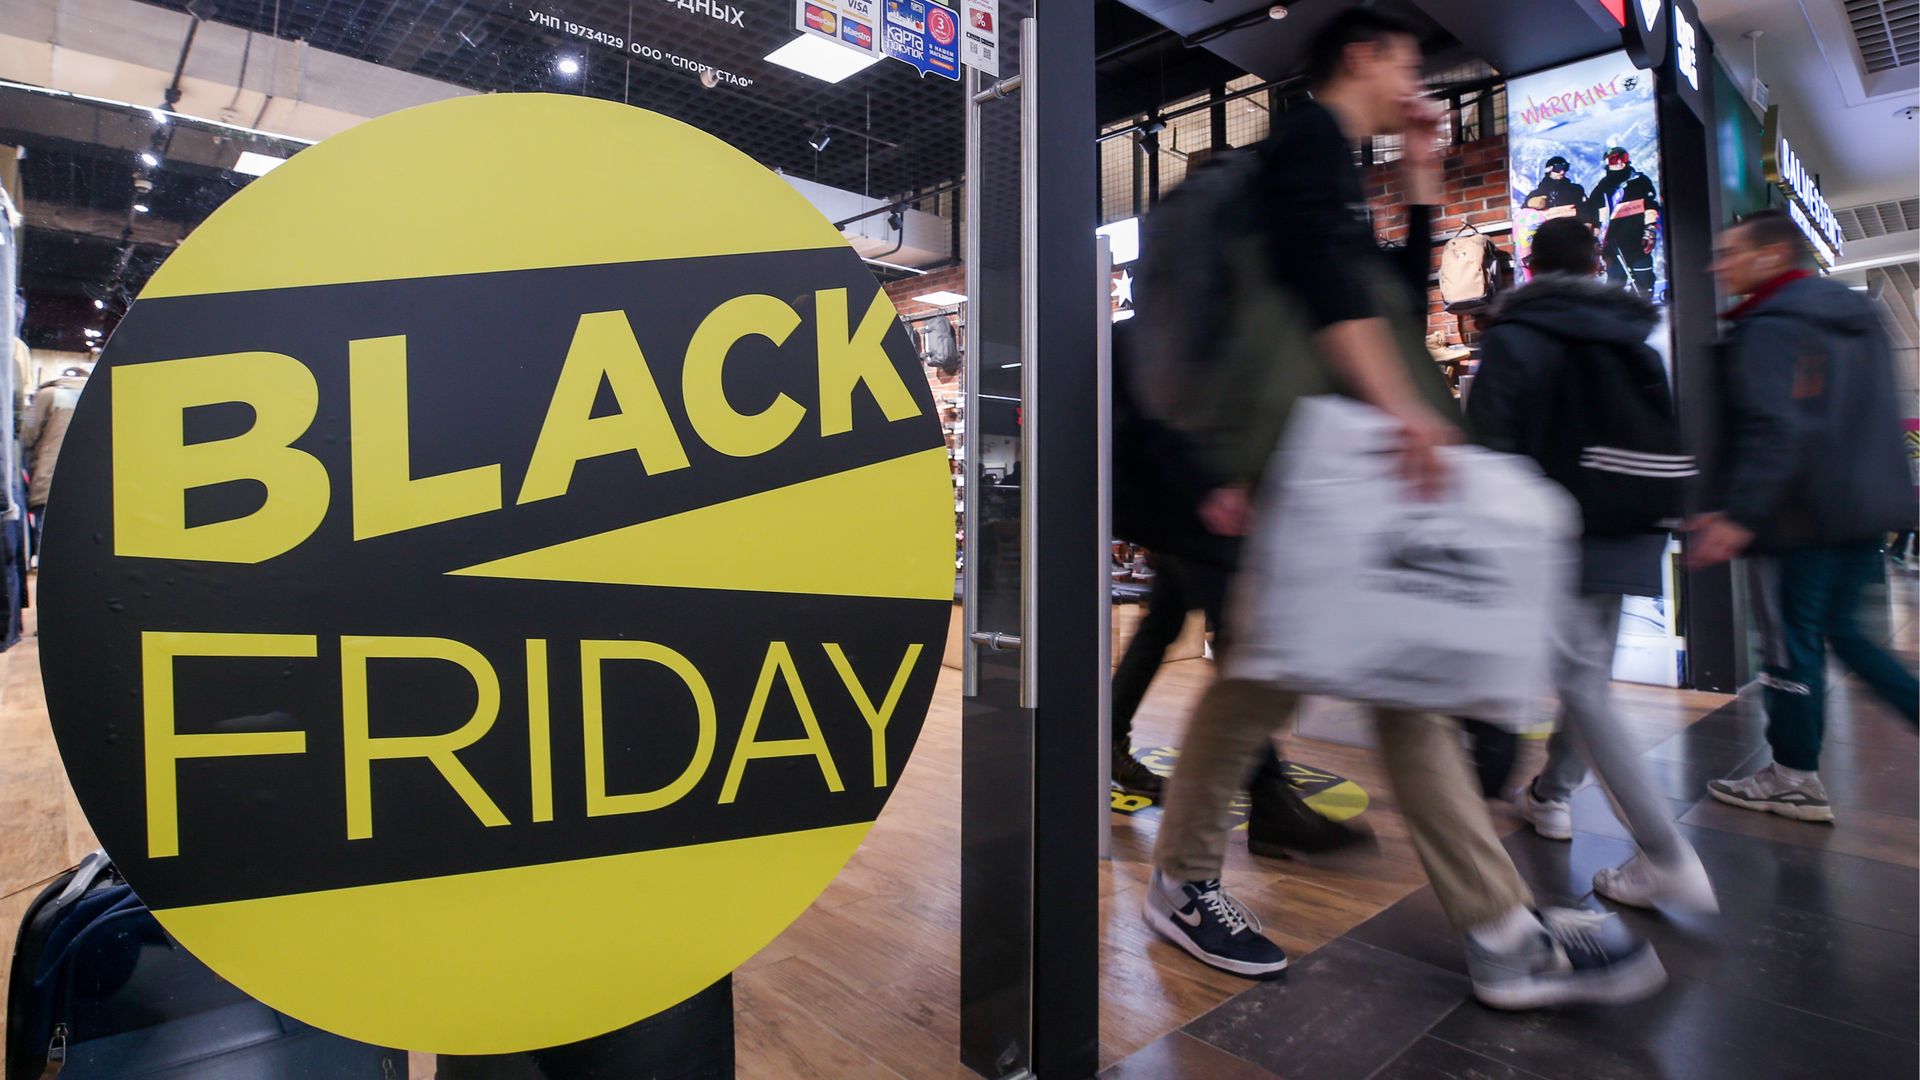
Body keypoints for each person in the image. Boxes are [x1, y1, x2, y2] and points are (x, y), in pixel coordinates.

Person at [1144, 10, 1664, 1009]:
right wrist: (1403, 419)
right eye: (1406, 60)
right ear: (1362, 56)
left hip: (1324, 451)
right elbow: (1328, 286)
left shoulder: (1333, 159)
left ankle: (1500, 932)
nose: (1414, 78)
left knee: (1366, 679)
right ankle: (1189, 881)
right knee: (1276, 674)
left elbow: (1384, 290)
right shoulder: (1304, 142)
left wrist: (1423, 182)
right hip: (1307, 451)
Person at [1468, 218, 1717, 911]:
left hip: (1555, 525)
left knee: (1580, 682)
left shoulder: (1517, 334)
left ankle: (1667, 854)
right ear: (1599, 260)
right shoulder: (1631, 334)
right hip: (1632, 519)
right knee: (1588, 673)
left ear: (1527, 264)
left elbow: (1488, 445)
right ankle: (1553, 795)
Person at [1690, 210, 1920, 818]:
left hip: (1798, 517)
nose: (1718, 264)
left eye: (1729, 252)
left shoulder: (1771, 323)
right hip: (1858, 509)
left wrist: (1738, 514)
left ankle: (1793, 774)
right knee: (1846, 634)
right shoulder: (1849, 317)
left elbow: (1775, 425)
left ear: (1769, 257)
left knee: (1789, 647)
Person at [1110, 320, 1371, 854]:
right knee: (1239, 638)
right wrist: (1212, 486)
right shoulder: (1166, 325)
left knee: (1164, 621)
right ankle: (1268, 801)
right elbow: (1166, 416)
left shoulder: (1160, 323)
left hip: (1184, 495)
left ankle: (1104, 740)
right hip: (1191, 499)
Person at [1585, 147, 1660, 295]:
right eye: (1614, 159)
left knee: (1644, 280)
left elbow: (1651, 206)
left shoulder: (1640, 182)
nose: (1619, 163)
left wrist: (1650, 229)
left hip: (1638, 242)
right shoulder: (1601, 189)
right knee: (1615, 283)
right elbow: (1594, 218)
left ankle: (1641, 310)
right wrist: (1596, 241)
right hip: (1614, 245)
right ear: (1607, 162)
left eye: (1623, 158)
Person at [1522, 156, 1590, 223]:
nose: (1562, 172)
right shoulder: (1536, 194)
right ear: (1549, 170)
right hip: (1546, 231)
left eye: (1565, 168)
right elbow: (1525, 215)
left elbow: (1587, 210)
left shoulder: (1575, 190)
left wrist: (1591, 225)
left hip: (1571, 230)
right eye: (1558, 168)